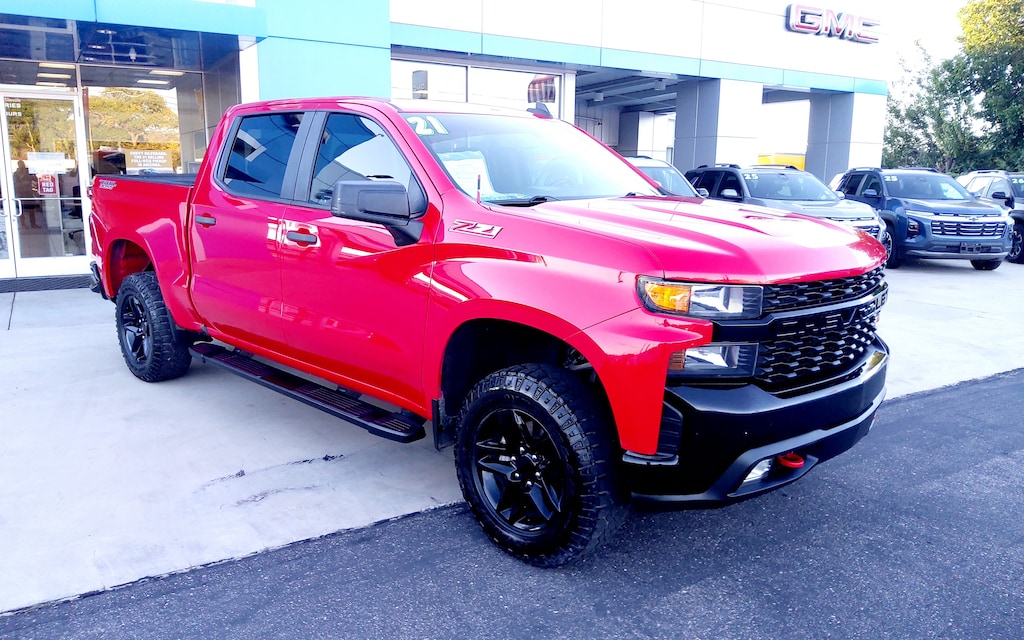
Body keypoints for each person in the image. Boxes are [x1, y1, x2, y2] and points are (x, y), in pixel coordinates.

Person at [12, 160, 41, 228]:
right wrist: (23, 182)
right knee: (21, 210)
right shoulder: (16, 174)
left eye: (23, 164)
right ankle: (23, 224)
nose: (22, 166)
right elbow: (15, 184)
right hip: (20, 193)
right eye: (21, 164)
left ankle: (33, 224)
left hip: (28, 192)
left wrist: (32, 173)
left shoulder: (28, 172)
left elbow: (35, 179)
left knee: (31, 209)